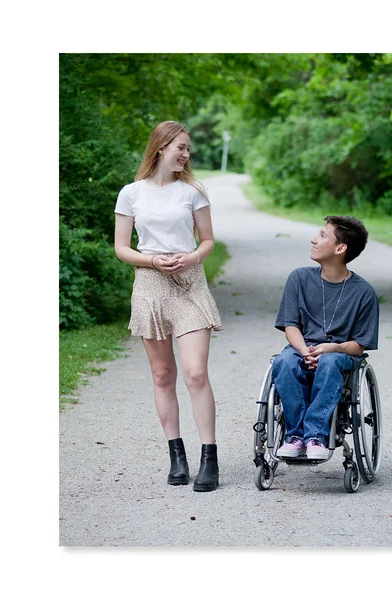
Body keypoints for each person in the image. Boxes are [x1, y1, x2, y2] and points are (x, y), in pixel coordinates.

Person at [114, 121, 222, 492]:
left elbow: (207, 240)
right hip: (150, 284)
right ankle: (177, 456)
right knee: (162, 375)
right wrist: (153, 262)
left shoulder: (192, 191)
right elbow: (122, 248)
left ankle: (210, 458)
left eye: (188, 148)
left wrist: (192, 258)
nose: (186, 155)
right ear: (161, 147)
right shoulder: (131, 193)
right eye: (181, 147)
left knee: (195, 373)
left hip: (189, 284)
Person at [273, 216, 379, 460]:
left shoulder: (364, 293)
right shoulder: (299, 278)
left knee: (330, 362)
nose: (314, 239)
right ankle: (295, 436)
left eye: (322, 235)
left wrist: (333, 347)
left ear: (340, 248)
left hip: (340, 354)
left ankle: (316, 436)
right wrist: (304, 351)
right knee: (283, 362)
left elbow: (359, 345)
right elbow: (290, 326)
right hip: (301, 347)